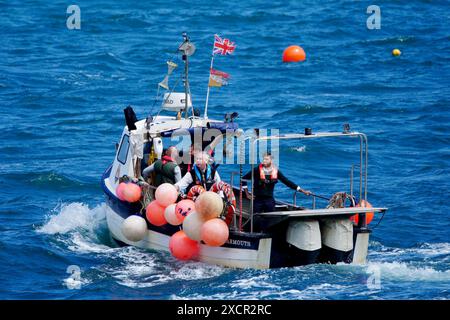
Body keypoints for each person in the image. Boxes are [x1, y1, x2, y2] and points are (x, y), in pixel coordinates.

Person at [242, 152, 311, 213]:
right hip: (257, 199)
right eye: (263, 159)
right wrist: (247, 193)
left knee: (270, 216)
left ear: (271, 160)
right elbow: (243, 179)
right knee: (255, 218)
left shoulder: (276, 171)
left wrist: (303, 191)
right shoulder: (257, 170)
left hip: (269, 199)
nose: (264, 161)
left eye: (266, 159)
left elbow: (287, 182)